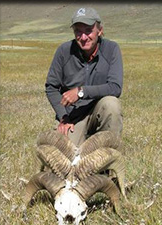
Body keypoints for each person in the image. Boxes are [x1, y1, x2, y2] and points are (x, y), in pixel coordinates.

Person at [45, 7, 123, 147]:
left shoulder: (111, 49)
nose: (83, 37)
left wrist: (81, 91)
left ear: (99, 30)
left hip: (99, 111)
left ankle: (107, 160)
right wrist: (64, 117)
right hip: (73, 116)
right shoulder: (64, 51)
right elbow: (51, 87)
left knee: (112, 104)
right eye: (78, 31)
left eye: (88, 30)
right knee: (60, 157)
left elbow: (115, 87)